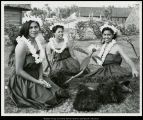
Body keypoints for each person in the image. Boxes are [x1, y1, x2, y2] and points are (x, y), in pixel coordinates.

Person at [8, 17, 69, 110]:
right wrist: (37, 82)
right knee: (49, 99)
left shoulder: (38, 41)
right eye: (31, 27)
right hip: (23, 78)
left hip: (36, 74)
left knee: (59, 92)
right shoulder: (21, 46)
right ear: (26, 29)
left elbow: (39, 62)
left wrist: (41, 77)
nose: (34, 30)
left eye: (36, 27)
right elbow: (18, 71)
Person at [82, 23, 139, 92]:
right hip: (105, 70)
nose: (106, 37)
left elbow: (126, 58)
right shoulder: (103, 46)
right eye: (104, 35)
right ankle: (116, 87)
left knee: (106, 86)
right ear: (102, 35)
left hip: (115, 70)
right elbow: (97, 59)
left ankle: (122, 88)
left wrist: (133, 68)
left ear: (113, 35)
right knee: (89, 82)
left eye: (109, 35)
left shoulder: (116, 46)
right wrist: (91, 51)